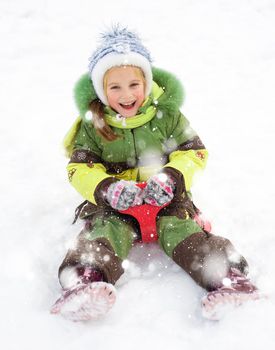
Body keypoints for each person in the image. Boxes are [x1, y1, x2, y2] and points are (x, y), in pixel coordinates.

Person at [51, 25, 260, 321]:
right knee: (103, 233)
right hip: (115, 203)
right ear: (101, 90)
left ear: (147, 83)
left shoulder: (168, 116)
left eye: (134, 84)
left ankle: (228, 278)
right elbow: (79, 168)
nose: (127, 95)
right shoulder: (93, 125)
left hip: (165, 198)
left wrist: (173, 177)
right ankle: (85, 279)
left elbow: (194, 152)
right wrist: (106, 188)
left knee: (184, 232)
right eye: (115, 87)